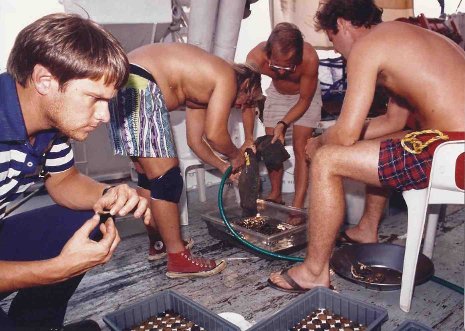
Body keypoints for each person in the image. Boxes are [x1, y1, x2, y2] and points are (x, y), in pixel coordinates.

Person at [268, 0, 465, 292]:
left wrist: (318, 142)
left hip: (453, 152)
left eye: (333, 38)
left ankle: (313, 272)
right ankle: (366, 228)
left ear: (344, 24)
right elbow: (393, 121)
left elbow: (346, 134)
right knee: (381, 142)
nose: (335, 49)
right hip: (451, 143)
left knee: (327, 161)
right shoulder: (403, 36)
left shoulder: (368, 46)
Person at [0, 13, 150, 329]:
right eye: (94, 98)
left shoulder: (48, 121)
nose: (105, 116)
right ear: (45, 80)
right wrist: (54, 270)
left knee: (86, 218)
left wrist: (107, 194)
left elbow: (64, 180)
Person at [108, 43, 262, 276]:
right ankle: (178, 259)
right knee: (167, 180)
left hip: (122, 83)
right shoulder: (227, 77)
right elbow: (216, 135)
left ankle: (159, 244)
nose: (241, 106)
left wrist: (224, 166)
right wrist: (235, 155)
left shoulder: (201, 85)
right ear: (247, 84)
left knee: (150, 178)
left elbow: (196, 140)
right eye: (247, 100)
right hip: (139, 83)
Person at [245, 22, 322, 210]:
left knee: (301, 147)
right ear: (268, 53)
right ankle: (276, 194)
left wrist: (283, 123)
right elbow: (247, 100)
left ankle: (297, 206)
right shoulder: (255, 57)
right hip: (277, 94)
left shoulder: (310, 58)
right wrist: (248, 138)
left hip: (306, 95)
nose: (280, 72)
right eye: (275, 66)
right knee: (271, 144)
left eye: (287, 68)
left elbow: (304, 100)